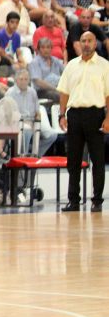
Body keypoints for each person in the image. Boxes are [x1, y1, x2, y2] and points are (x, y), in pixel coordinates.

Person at [56, 31, 109, 211]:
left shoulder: (104, 66)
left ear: (95, 43)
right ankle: (73, 200)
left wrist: (108, 118)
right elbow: (64, 92)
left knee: (97, 160)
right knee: (73, 160)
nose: (86, 44)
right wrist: (62, 115)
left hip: (96, 114)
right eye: (83, 41)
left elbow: (108, 95)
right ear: (79, 43)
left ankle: (97, 201)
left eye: (89, 41)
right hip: (74, 115)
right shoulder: (71, 65)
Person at [29, 37, 64, 102]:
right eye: (43, 47)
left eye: (48, 47)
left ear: (51, 49)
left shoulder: (55, 60)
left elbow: (66, 72)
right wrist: (55, 89)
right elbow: (38, 82)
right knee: (61, 95)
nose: (46, 50)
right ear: (38, 50)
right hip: (42, 91)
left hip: (58, 88)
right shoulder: (35, 62)